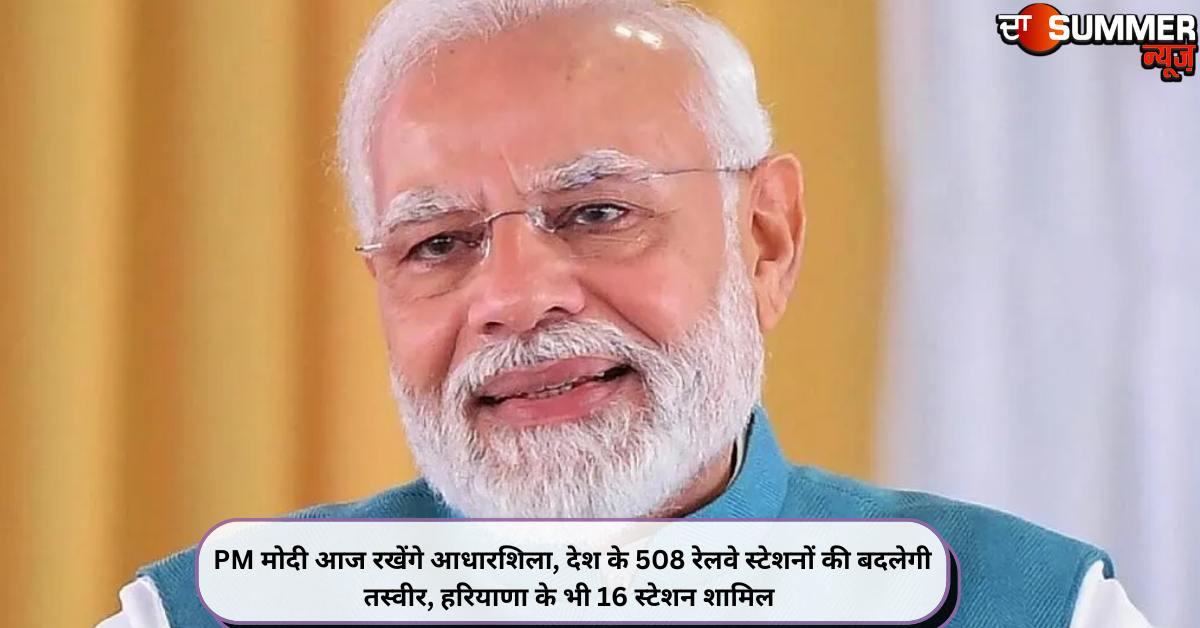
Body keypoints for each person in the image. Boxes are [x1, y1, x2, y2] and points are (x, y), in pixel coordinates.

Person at [97, 1, 1156, 626]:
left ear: (766, 238)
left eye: (597, 212)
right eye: (439, 243)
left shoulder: (1036, 608)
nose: (514, 299)